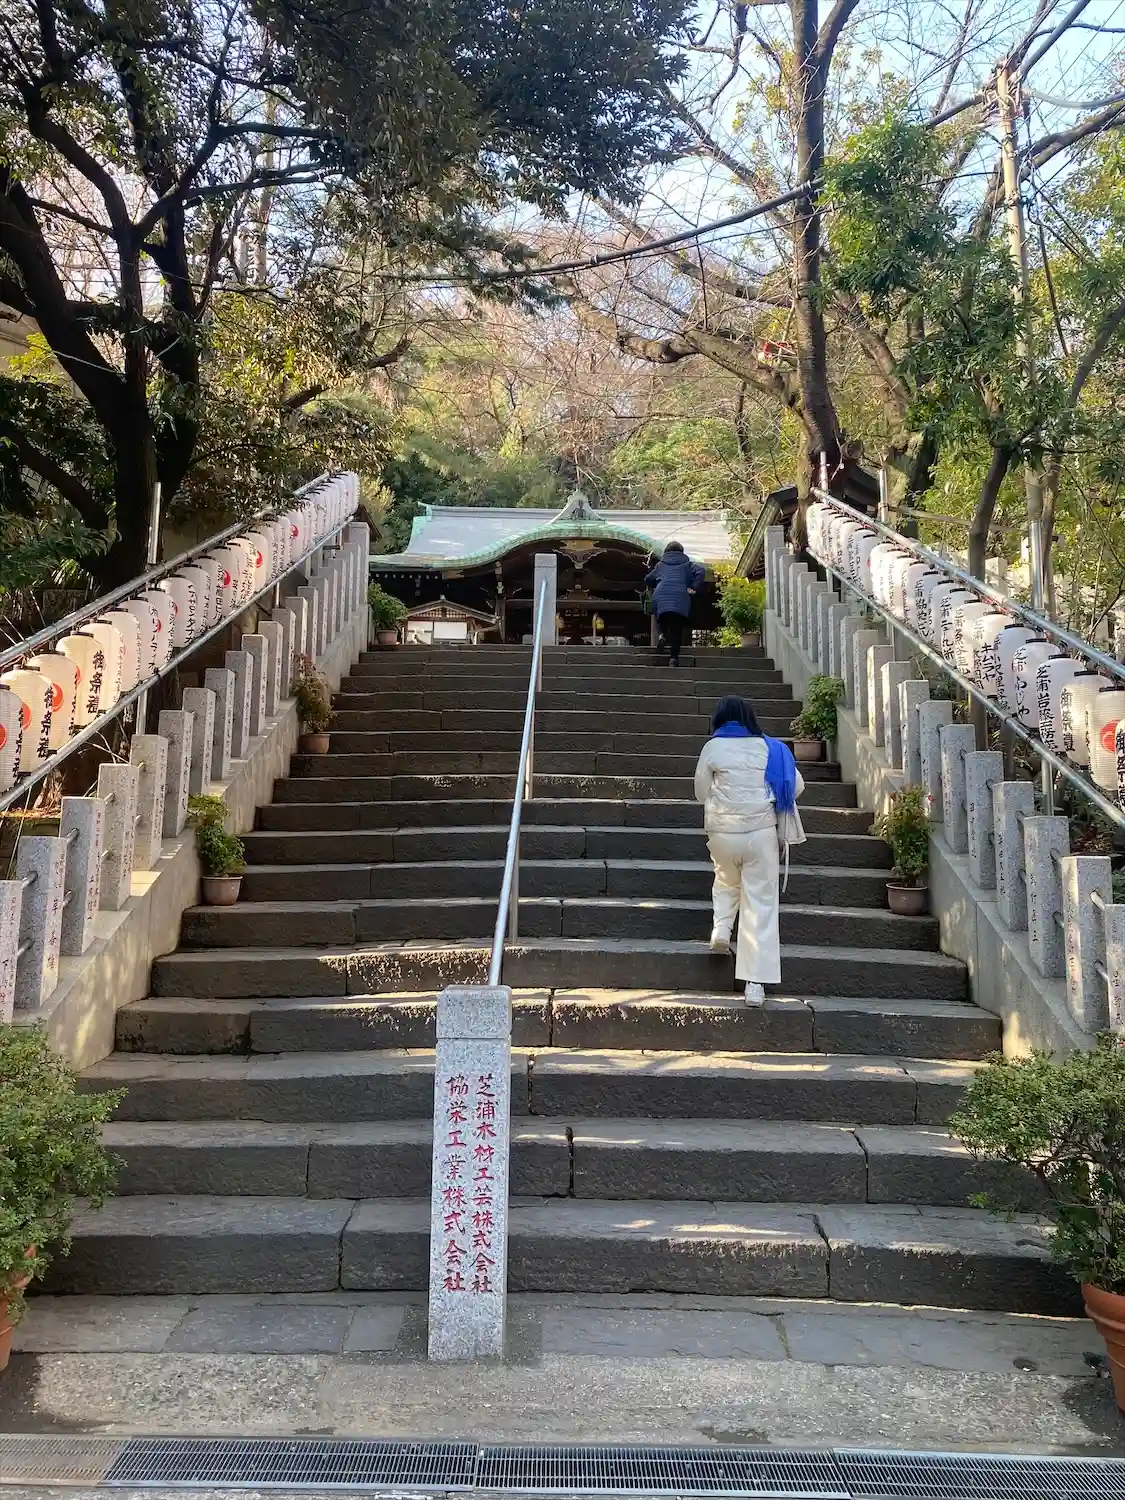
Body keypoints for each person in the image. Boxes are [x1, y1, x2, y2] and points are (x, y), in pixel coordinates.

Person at [693, 695, 805, 1007]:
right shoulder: (770, 748)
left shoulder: (712, 747)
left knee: (725, 879)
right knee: (760, 904)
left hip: (722, 832)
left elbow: (700, 792)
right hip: (760, 834)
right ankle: (754, 985)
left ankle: (720, 929)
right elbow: (796, 786)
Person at [645, 541, 704, 666]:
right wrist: (693, 587)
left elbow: (648, 579)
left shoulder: (660, 565)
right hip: (680, 596)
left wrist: (656, 583)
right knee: (676, 629)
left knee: (661, 618)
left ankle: (662, 635)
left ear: (666, 552)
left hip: (661, 595)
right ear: (681, 552)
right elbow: (701, 571)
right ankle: (673, 658)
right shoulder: (688, 564)